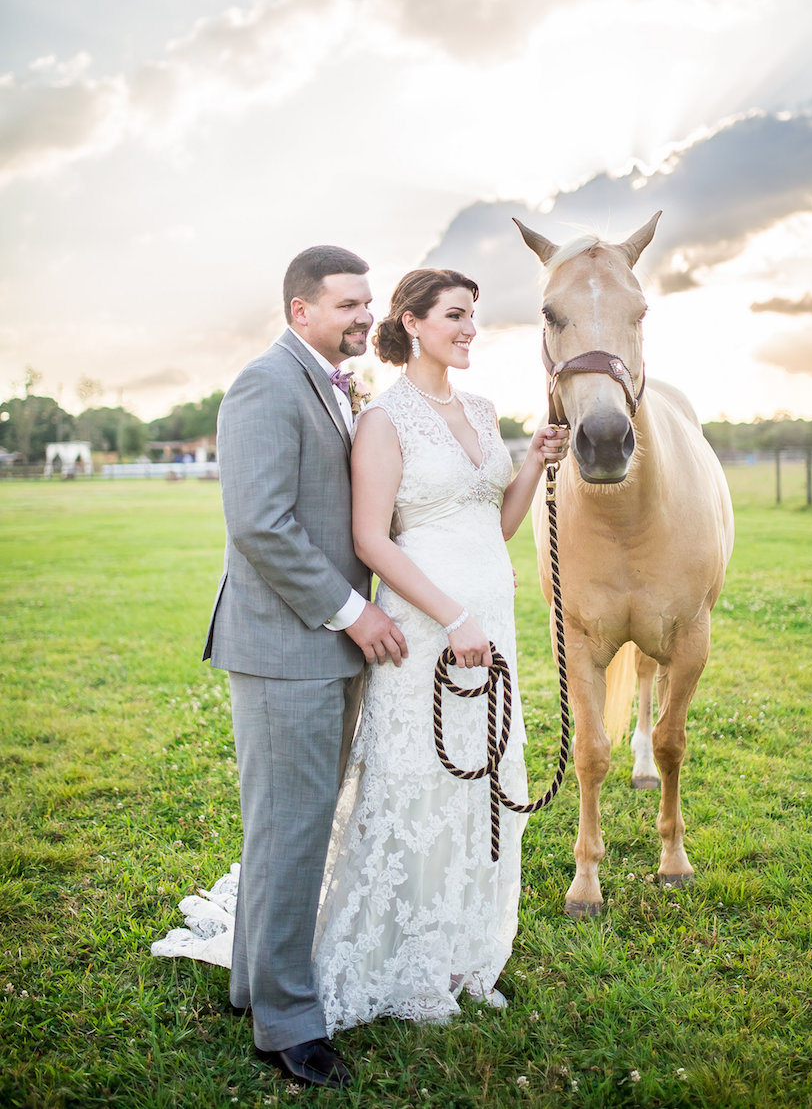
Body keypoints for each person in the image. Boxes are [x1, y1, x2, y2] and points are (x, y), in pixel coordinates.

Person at [311, 268, 568, 1032]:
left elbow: (497, 526)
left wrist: (531, 465)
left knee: (479, 782)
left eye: (473, 317)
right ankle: (407, 956)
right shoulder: (384, 420)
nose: (469, 329)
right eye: (455, 315)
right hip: (430, 622)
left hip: (490, 616)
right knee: (421, 780)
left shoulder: (485, 411)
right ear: (412, 323)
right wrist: (453, 616)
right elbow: (369, 537)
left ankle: (464, 949)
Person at [200, 246, 408, 1090]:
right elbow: (261, 525)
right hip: (287, 649)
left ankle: (253, 983)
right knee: (291, 830)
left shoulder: (330, 382)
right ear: (301, 311)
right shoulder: (265, 384)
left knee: (289, 826)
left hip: (315, 646)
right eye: (350, 304)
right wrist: (354, 611)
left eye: (368, 302)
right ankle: (286, 1025)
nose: (367, 316)